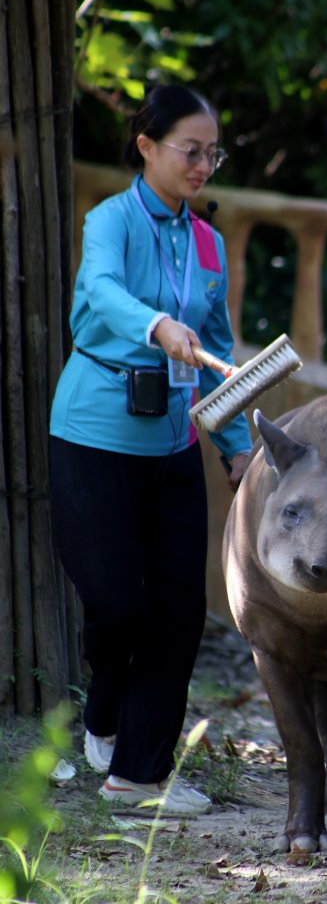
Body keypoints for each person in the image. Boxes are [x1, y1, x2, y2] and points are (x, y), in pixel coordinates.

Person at [49, 85, 252, 816]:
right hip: (93, 435)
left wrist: (235, 446)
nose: (203, 166)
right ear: (146, 146)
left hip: (174, 442)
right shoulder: (110, 222)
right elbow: (99, 292)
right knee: (116, 605)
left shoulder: (207, 242)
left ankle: (138, 771)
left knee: (177, 610)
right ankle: (102, 716)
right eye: (189, 151)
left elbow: (220, 349)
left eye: (212, 154)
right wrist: (158, 325)